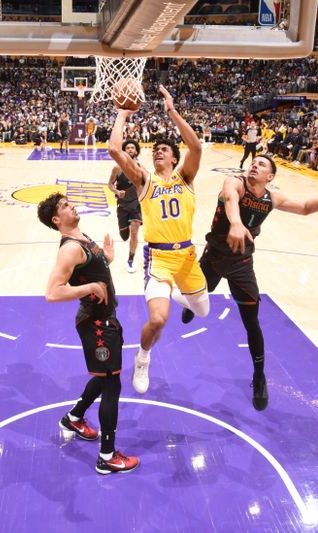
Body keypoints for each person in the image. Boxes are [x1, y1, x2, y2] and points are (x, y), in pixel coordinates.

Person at [183, 155, 318, 410]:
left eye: (262, 165)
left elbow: (306, 207)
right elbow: (230, 197)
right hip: (214, 257)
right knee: (195, 299)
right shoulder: (235, 182)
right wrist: (237, 223)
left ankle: (259, 375)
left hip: (241, 265)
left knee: (251, 322)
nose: (255, 165)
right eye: (254, 162)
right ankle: (193, 302)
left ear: (270, 177)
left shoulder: (271, 199)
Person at [108, 85, 210, 394]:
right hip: (159, 259)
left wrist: (172, 111)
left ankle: (179, 296)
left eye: (164, 149)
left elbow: (196, 147)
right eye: (156, 149)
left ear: (175, 158)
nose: (158, 151)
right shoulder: (144, 179)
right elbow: (115, 150)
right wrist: (123, 113)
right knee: (159, 320)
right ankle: (143, 357)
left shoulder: (185, 177)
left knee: (203, 310)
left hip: (188, 257)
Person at [37, 192, 140, 475]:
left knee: (105, 376)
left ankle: (74, 417)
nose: (72, 205)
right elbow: (52, 293)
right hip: (96, 324)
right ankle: (107, 456)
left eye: (69, 202)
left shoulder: (81, 237)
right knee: (112, 386)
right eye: (65, 206)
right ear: (57, 220)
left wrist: (105, 259)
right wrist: (89, 288)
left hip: (106, 319)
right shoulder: (69, 248)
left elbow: (90, 270)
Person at [108, 139, 143, 273]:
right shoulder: (117, 168)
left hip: (135, 205)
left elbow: (146, 184)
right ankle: (124, 231)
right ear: (124, 151)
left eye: (132, 148)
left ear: (136, 151)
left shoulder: (140, 167)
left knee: (134, 230)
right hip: (122, 206)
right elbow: (110, 185)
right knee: (124, 236)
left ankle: (130, 260)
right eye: (127, 148)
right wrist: (117, 191)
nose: (130, 150)